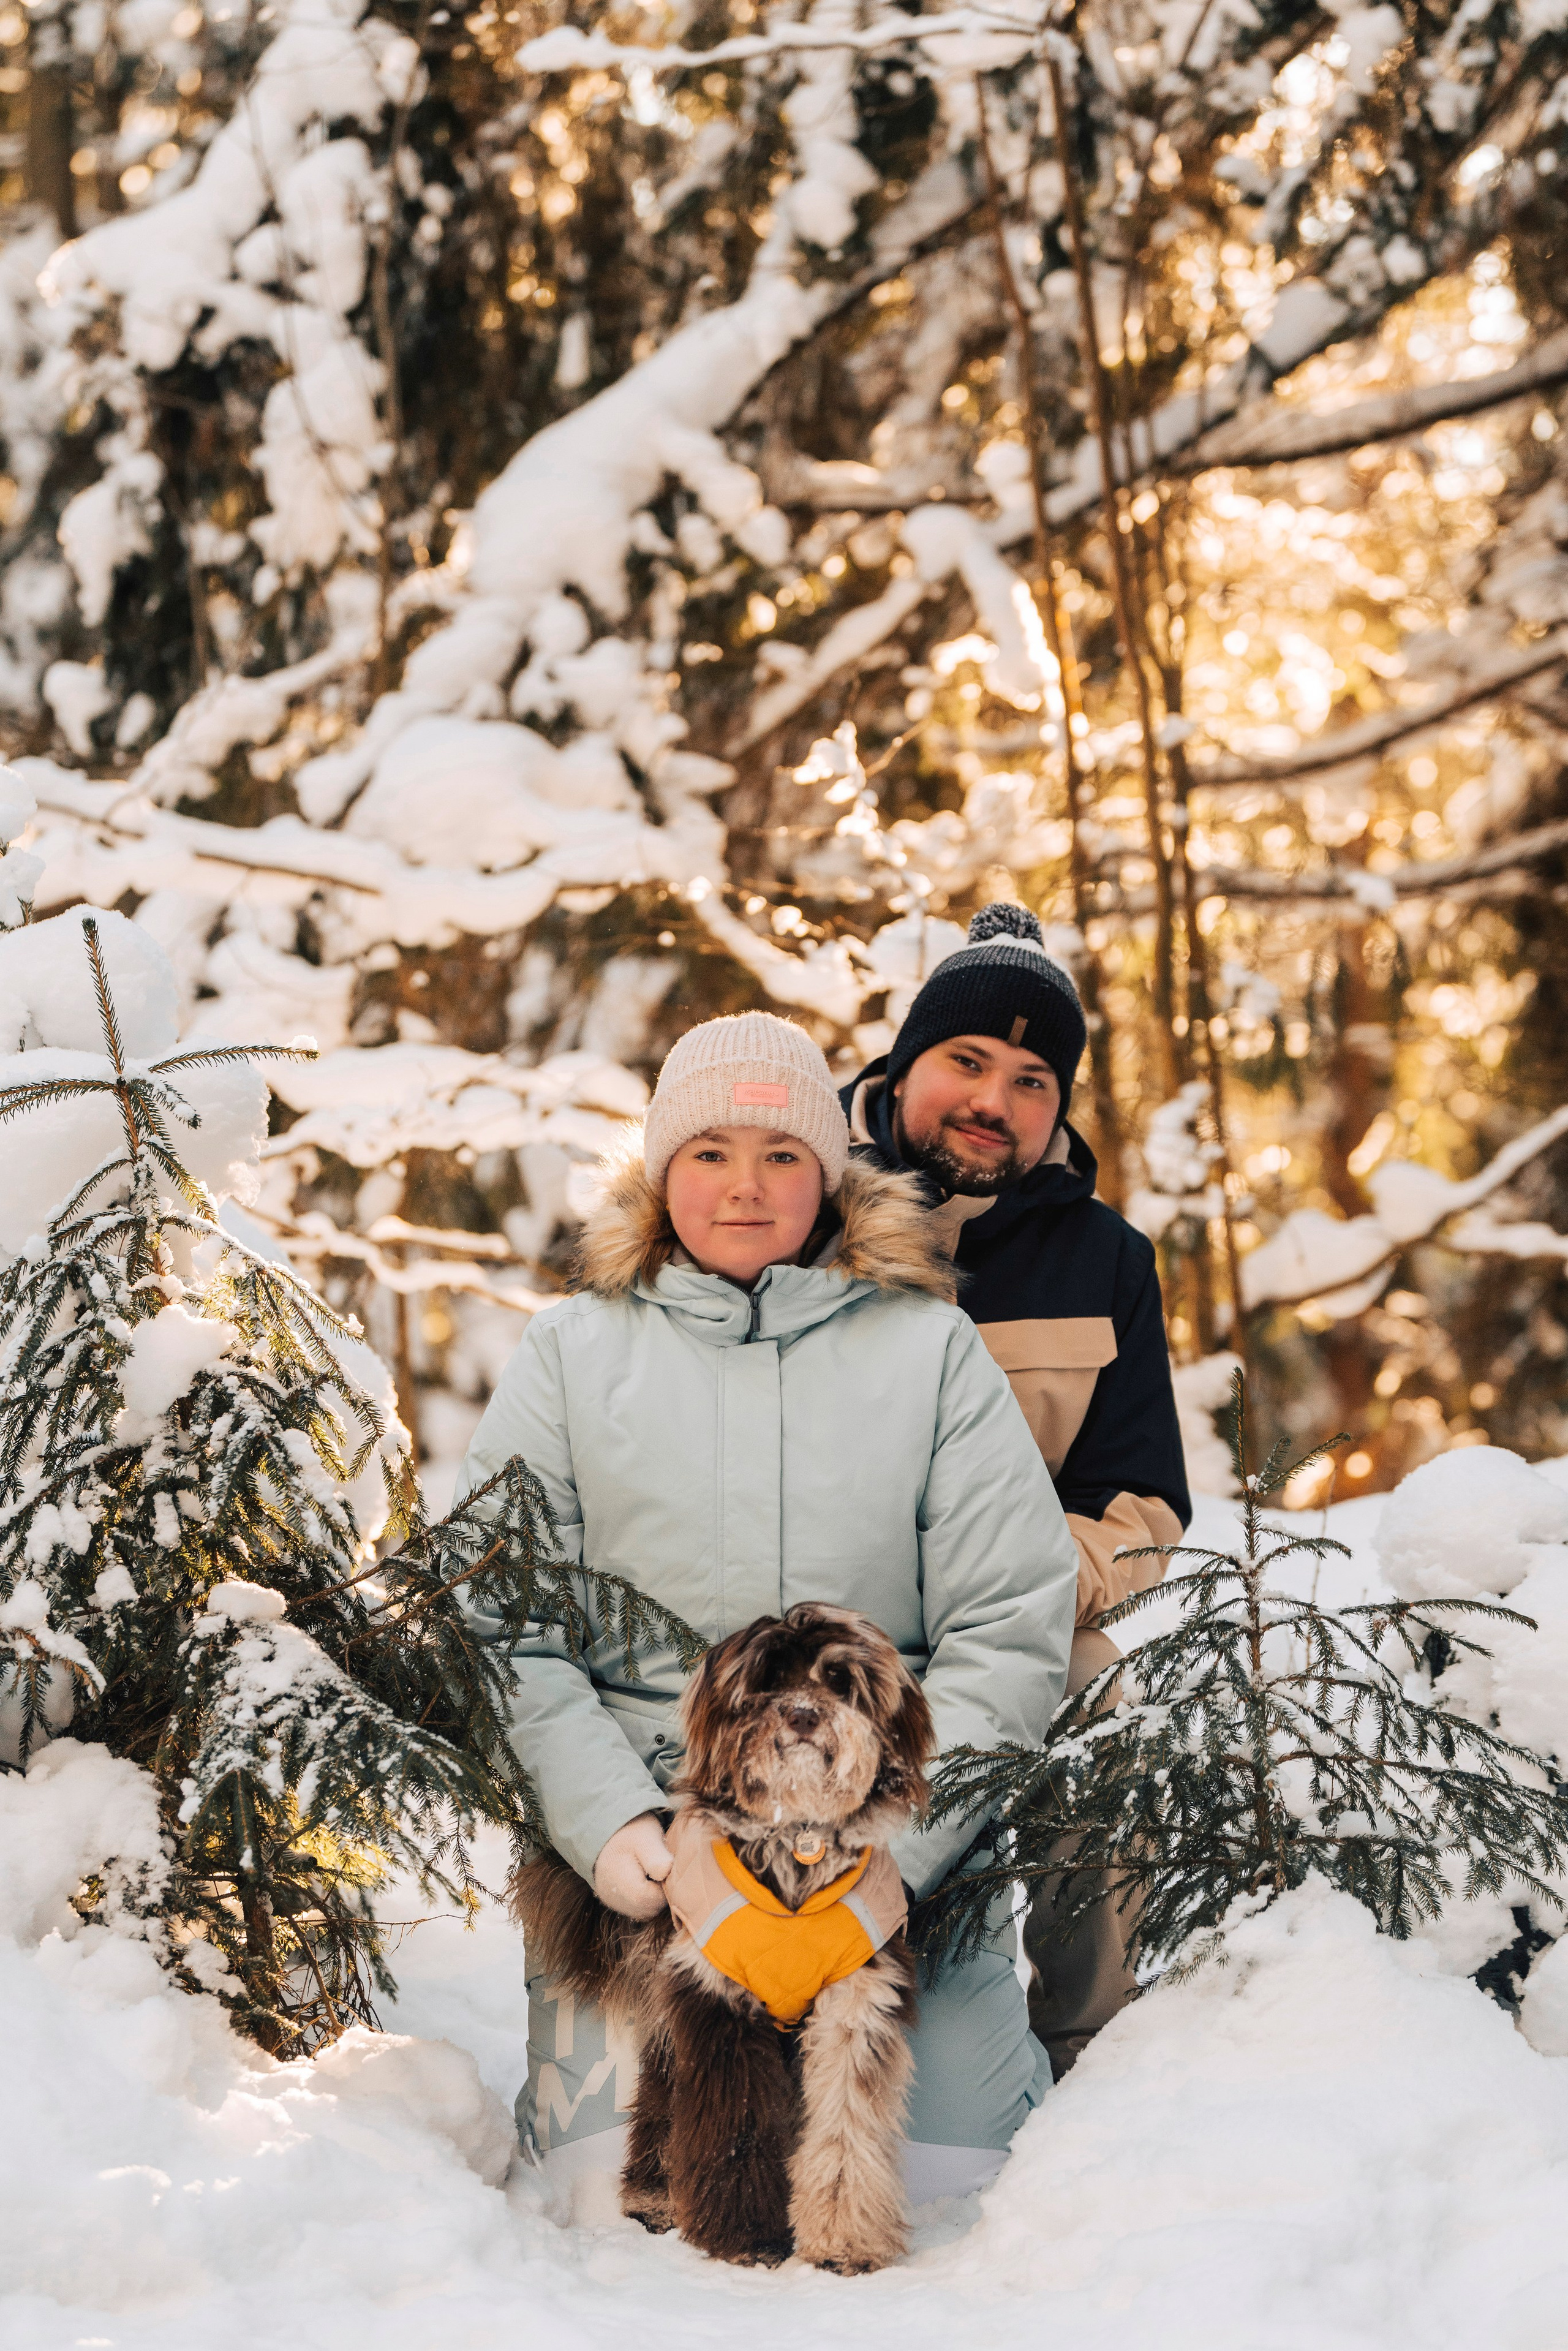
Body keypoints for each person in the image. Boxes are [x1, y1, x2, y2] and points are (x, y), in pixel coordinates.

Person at [458, 1009, 1079, 2203]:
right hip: (648, 1834)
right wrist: (619, 1833)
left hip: (887, 1828)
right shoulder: (571, 1352)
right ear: (661, 1170)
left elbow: (1007, 1619)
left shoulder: (930, 1349)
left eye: (781, 1152)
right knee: (626, 2188)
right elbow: (501, 1624)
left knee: (953, 2179)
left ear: (828, 1172)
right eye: (710, 1151)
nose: (745, 1185)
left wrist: (902, 1851)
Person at [840, 902, 1191, 2077]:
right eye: (967, 1060)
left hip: (1024, 1616)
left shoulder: (1106, 1260)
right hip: (816, 1609)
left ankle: (1090, 2041)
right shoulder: (801, 1205)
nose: (994, 1099)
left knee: (1105, 1700)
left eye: (1033, 1079)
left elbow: (1139, 1506)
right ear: (904, 1065)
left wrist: (1017, 1597)